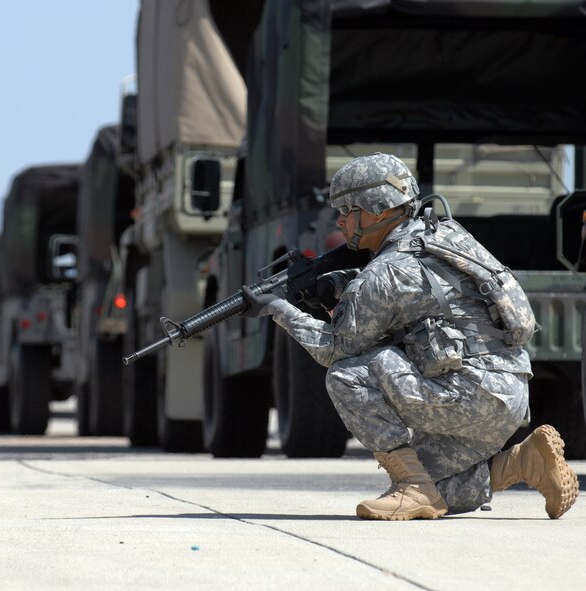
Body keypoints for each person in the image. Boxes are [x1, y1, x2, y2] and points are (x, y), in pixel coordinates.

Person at [241, 152, 579, 520]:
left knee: (346, 375)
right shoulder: (443, 234)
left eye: (347, 209)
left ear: (376, 209)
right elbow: (420, 295)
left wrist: (278, 309)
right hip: (507, 392)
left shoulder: (385, 272)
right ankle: (524, 461)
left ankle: (411, 489)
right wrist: (334, 286)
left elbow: (335, 347)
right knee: (447, 489)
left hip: (470, 395)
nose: (340, 219)